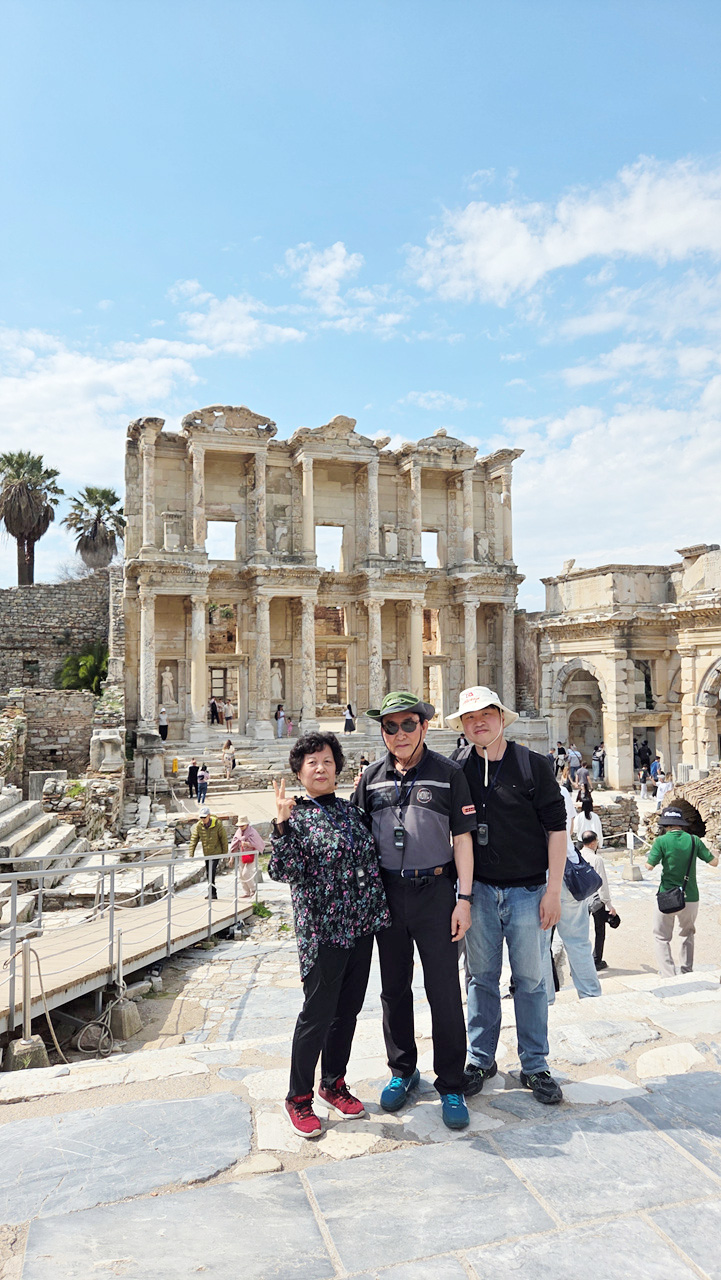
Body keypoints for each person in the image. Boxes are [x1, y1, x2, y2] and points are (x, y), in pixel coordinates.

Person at [353, 691, 476, 1131]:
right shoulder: (370, 778)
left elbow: (463, 839)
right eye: (391, 726)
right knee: (393, 989)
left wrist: (464, 899)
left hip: (437, 892)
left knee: (443, 991)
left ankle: (451, 1083)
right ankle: (402, 1070)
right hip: (388, 894)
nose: (400, 733)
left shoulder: (448, 773)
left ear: (424, 726)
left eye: (408, 724)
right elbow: (356, 840)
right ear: (382, 731)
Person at [446, 686, 566, 1106]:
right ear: (463, 725)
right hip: (478, 891)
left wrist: (554, 891)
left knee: (531, 981)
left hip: (528, 892)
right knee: (480, 979)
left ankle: (535, 1064)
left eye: (486, 714)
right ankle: (480, 1060)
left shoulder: (533, 765)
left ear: (501, 717)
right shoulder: (457, 767)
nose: (478, 722)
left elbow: (557, 830)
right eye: (469, 717)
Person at [269, 732, 391, 1138]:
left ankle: (333, 1082)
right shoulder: (294, 818)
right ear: (299, 773)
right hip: (323, 931)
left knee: (348, 1011)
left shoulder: (352, 812)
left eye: (326, 761)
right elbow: (283, 871)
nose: (320, 768)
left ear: (337, 767)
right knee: (316, 1015)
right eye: (312, 763)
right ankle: (298, 1097)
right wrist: (281, 824)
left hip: (360, 926)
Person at [645, 806, 718, 976]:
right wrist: (716, 853)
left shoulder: (661, 841)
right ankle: (686, 971)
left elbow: (649, 866)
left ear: (666, 825)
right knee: (687, 934)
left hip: (667, 895)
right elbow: (713, 863)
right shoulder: (694, 840)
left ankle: (669, 974)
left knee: (662, 937)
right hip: (690, 896)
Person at [580, 831, 617, 970]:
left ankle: (580, 962)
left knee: (580, 932)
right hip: (596, 899)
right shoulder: (596, 860)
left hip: (580, 898)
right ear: (593, 842)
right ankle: (596, 960)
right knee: (599, 930)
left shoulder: (577, 856)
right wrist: (609, 903)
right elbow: (602, 883)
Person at [189, 805, 228, 899]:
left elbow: (223, 838)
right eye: (201, 817)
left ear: (209, 816)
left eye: (204, 817)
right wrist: (191, 853)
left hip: (216, 852)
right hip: (207, 853)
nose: (203, 819)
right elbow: (194, 839)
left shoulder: (218, 824)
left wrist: (225, 853)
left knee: (211, 872)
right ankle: (212, 893)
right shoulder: (199, 825)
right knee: (208, 873)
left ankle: (213, 893)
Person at [230, 814, 265, 897]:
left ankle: (253, 889)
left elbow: (258, 844)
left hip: (251, 855)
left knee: (246, 873)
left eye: (242, 825)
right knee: (241, 874)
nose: (241, 827)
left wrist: (247, 844)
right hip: (242, 855)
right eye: (240, 826)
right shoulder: (238, 832)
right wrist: (231, 858)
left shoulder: (252, 832)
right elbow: (234, 845)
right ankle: (246, 892)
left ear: (247, 824)